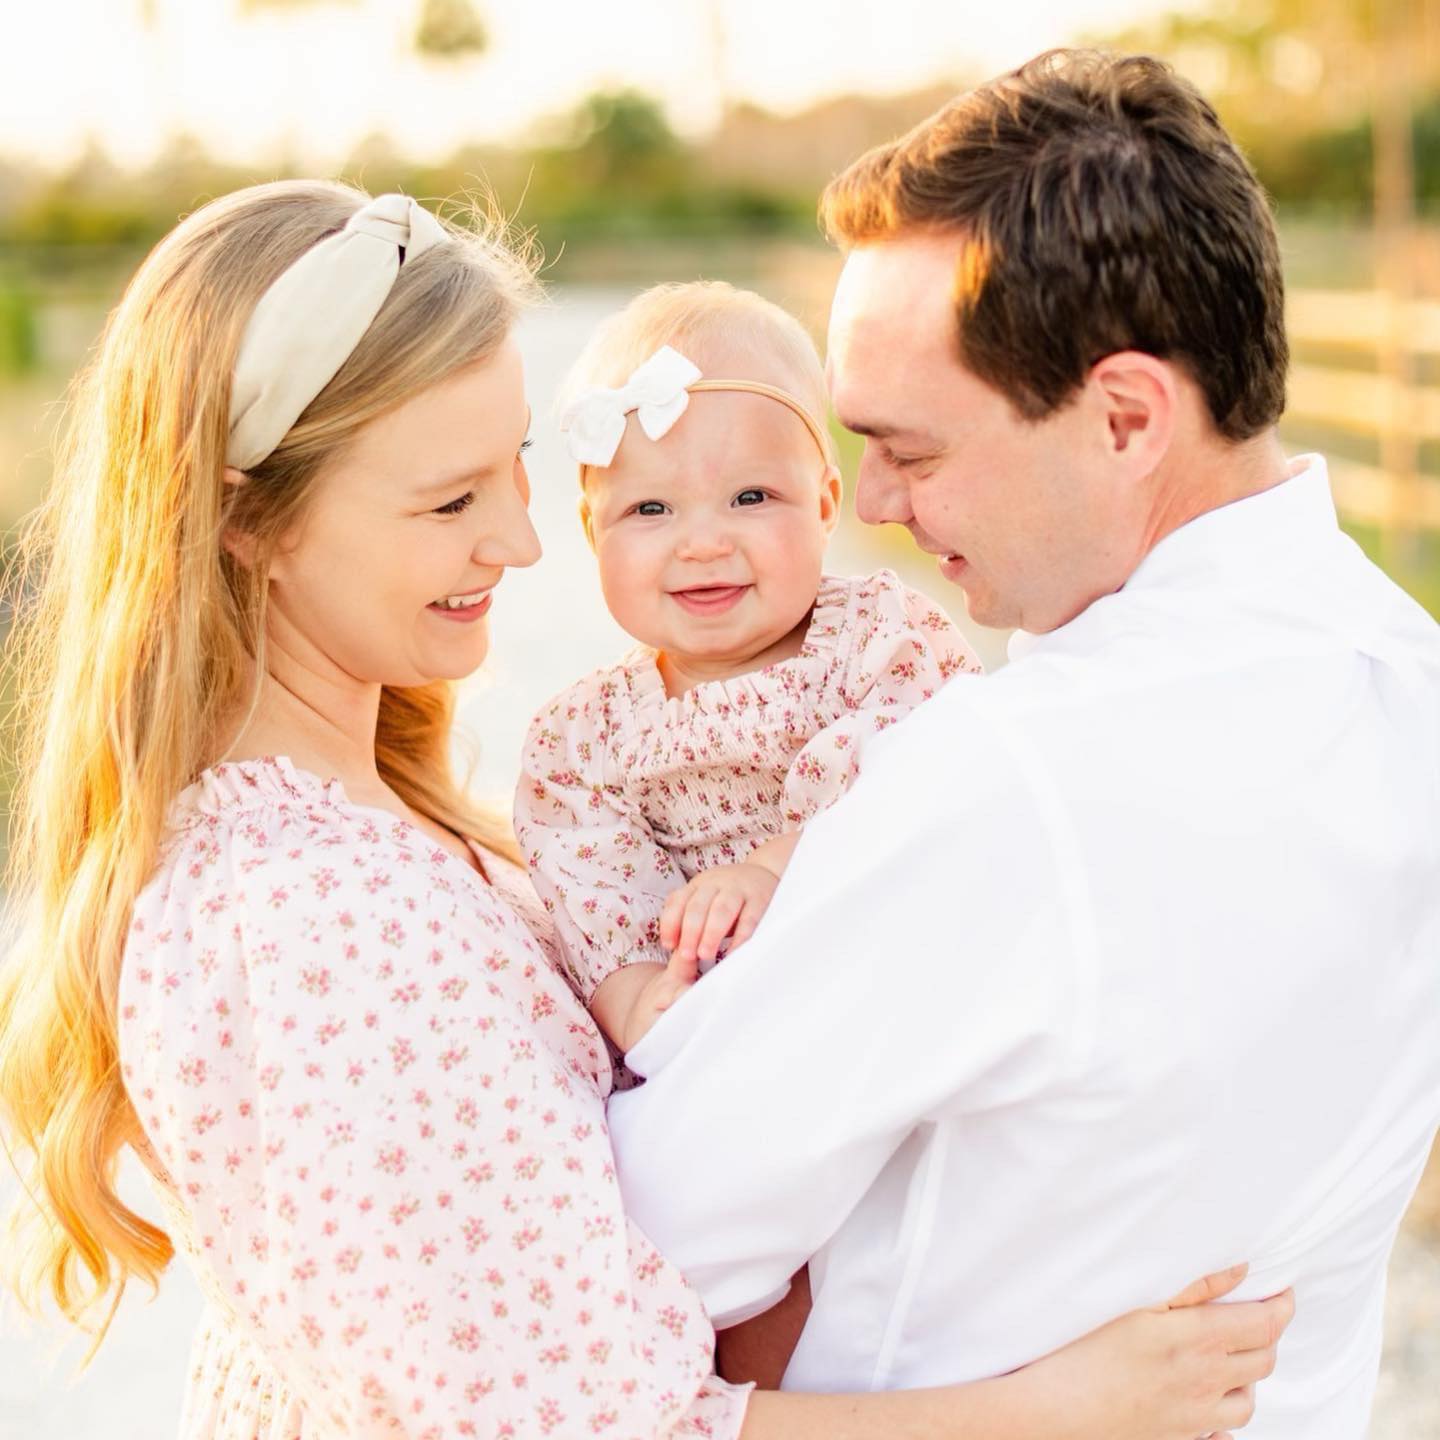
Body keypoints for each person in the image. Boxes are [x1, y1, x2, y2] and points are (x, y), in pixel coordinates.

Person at [0, 179, 1290, 1439]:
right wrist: (1057, 1415)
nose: (520, 540)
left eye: (512, 467)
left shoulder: (348, 827)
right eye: (450, 500)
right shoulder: (329, 925)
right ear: (250, 524)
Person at [606, 48, 1440, 1439]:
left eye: (913, 452)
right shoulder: (1414, 681)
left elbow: (645, 1238)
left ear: (1126, 418)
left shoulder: (1016, 777)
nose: (866, 502)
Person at [517, 281, 979, 1053]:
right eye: (651, 511)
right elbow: (598, 904)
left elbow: (933, 795)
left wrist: (777, 870)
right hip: (721, 1036)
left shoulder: (881, 641)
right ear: (594, 533)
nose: (702, 543)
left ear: (826, 505)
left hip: (895, 990)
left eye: (751, 496)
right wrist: (643, 1007)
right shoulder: (582, 744)